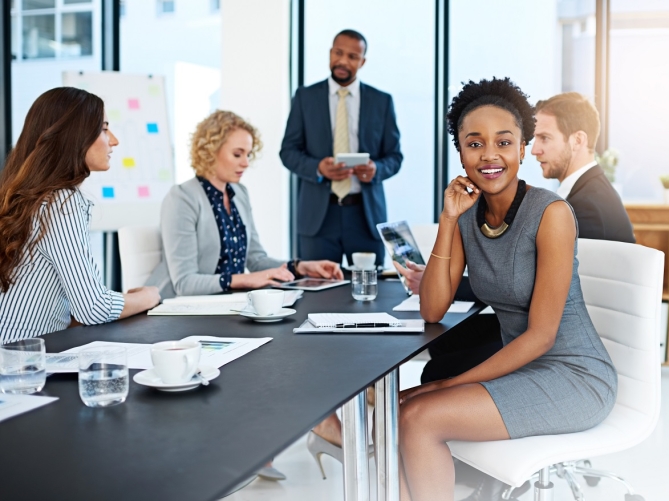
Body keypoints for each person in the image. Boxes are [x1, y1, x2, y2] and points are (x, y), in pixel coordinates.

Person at [397, 78, 617, 501]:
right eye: (474, 143)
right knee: (403, 412)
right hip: (522, 368)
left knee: (420, 416)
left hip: (575, 377)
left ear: (522, 148)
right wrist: (447, 219)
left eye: (504, 142)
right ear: (460, 152)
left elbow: (543, 335)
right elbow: (432, 310)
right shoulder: (466, 214)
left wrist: (450, 385)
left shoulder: (551, 214)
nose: (490, 155)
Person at [0, 87, 160, 344]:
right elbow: (93, 307)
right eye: (104, 129)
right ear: (75, 136)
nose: (114, 141)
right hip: (22, 364)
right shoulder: (62, 202)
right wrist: (149, 296)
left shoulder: (24, 196)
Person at [146, 110, 343, 301]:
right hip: (182, 310)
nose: (246, 163)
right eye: (238, 154)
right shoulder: (182, 198)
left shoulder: (240, 194)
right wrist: (246, 280)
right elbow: (185, 283)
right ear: (211, 151)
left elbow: (256, 260)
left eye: (248, 154)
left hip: (226, 305)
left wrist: (300, 267)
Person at [280, 29, 403, 266]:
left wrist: (376, 169)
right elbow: (288, 151)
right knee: (317, 295)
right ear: (330, 53)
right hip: (318, 218)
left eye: (352, 56)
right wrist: (318, 168)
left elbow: (395, 156)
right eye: (338, 53)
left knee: (370, 292)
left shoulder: (382, 101)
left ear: (362, 61)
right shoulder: (305, 97)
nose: (343, 61)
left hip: (365, 216)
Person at [532, 92, 635, 243]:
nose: (534, 150)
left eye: (545, 138)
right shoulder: (588, 193)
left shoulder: (587, 209)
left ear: (578, 141)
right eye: (535, 138)